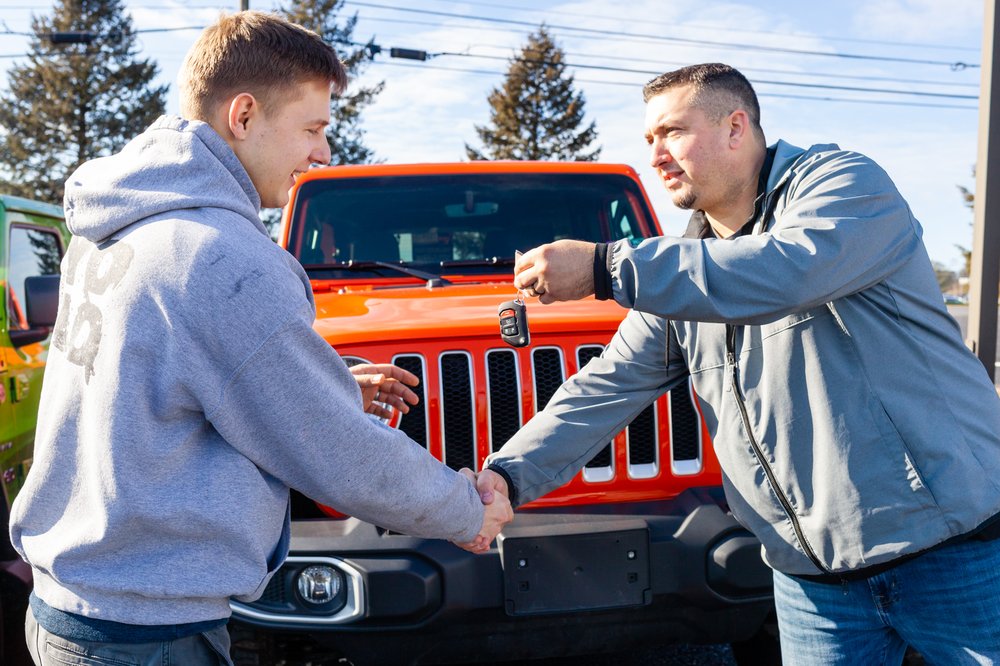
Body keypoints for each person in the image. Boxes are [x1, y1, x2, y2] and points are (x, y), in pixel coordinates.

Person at [11, 11, 511, 666]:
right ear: (243, 116)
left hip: (71, 606)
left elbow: (155, 384)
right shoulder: (221, 257)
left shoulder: (112, 226)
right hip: (148, 636)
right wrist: (464, 512)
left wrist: (318, 385)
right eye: (312, 128)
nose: (323, 153)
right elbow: (336, 449)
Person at [475, 63, 1000, 664]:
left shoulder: (846, 185)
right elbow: (606, 387)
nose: (657, 156)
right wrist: (506, 476)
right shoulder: (684, 269)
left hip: (955, 555)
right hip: (813, 587)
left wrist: (606, 266)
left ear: (735, 126)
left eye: (672, 132)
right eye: (649, 140)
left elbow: (787, 268)